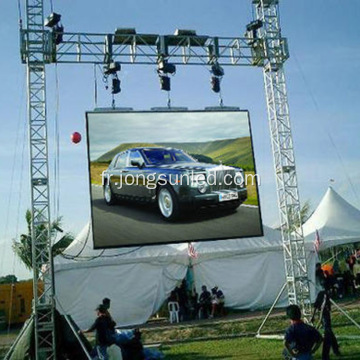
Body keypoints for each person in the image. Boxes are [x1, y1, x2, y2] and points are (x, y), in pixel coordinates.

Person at [311, 289, 340, 360]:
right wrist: (314, 317)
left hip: (324, 316)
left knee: (330, 334)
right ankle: (326, 355)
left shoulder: (321, 295)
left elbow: (316, 306)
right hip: (325, 317)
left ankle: (336, 350)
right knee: (328, 335)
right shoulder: (325, 295)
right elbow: (321, 309)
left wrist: (313, 316)